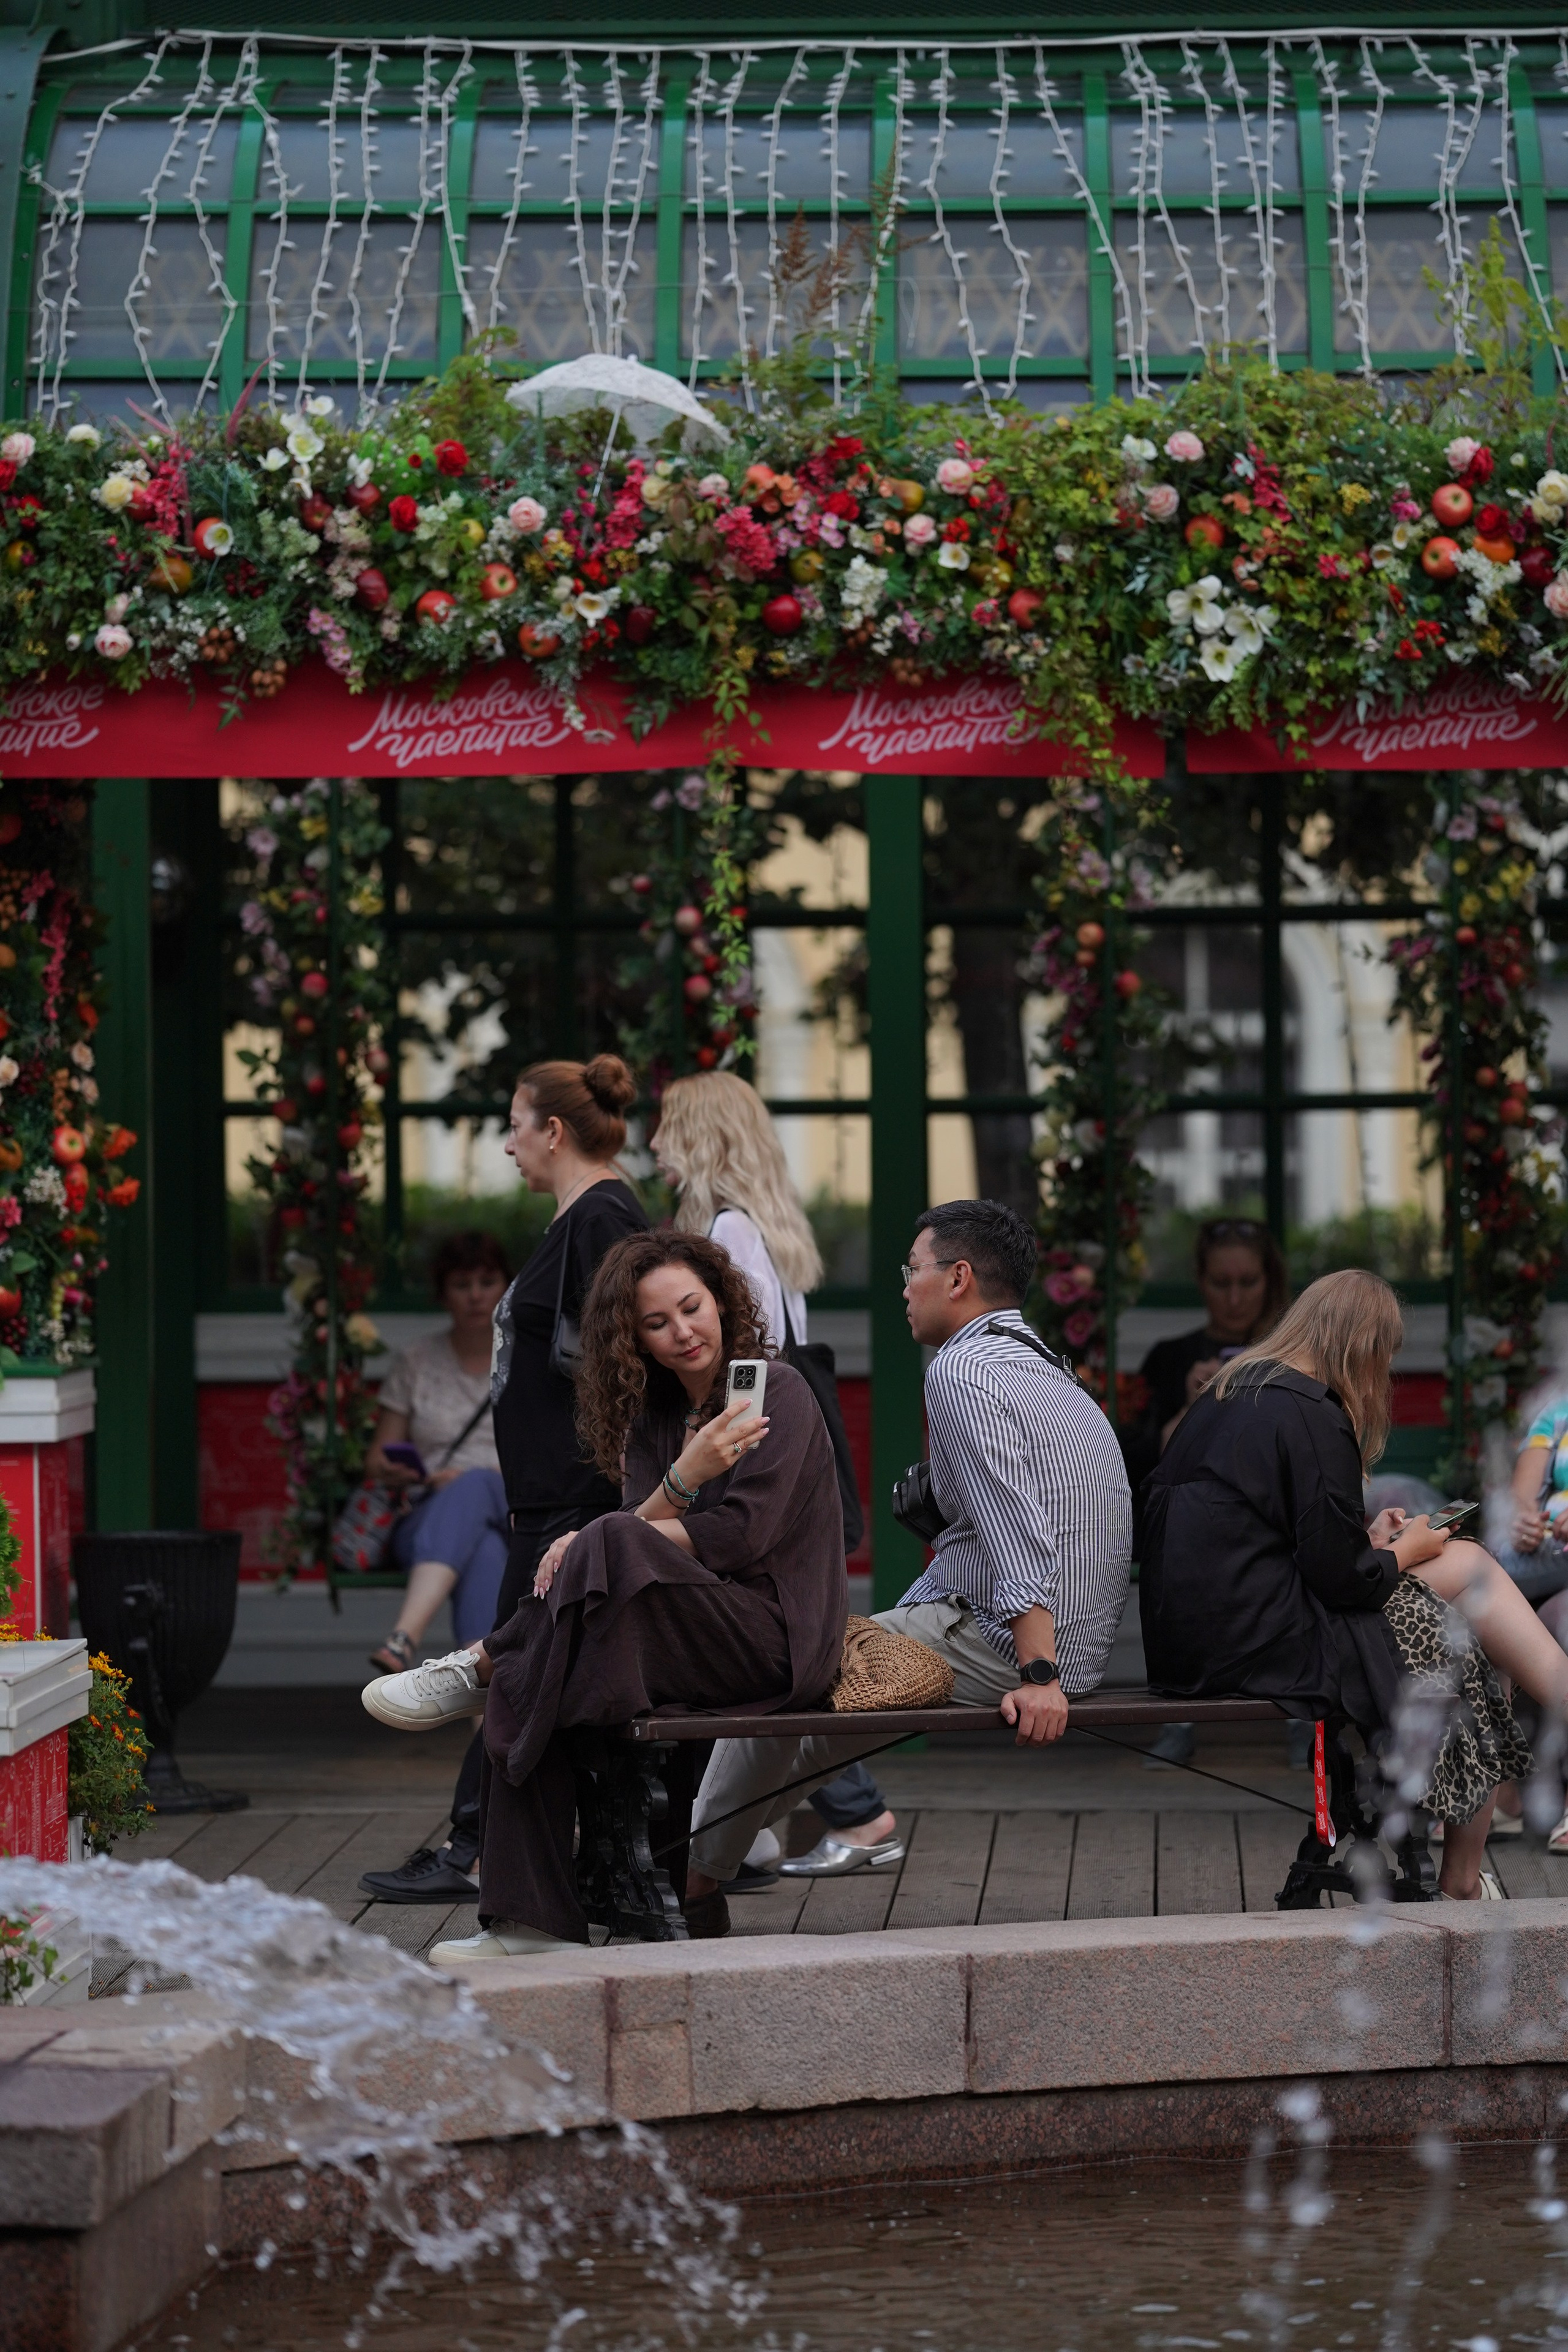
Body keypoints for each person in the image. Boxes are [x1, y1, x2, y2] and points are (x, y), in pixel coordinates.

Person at [361, 1231, 848, 1956]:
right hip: (672, 1625)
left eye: (692, 1307)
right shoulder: (653, 1417)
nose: (682, 1331)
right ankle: (526, 1925)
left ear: (720, 1301)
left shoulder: (776, 1392)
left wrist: (662, 1496)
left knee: (602, 1548)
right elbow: (639, 1535)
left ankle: (479, 1663)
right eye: (657, 1323)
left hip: (771, 1635)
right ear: (635, 1339)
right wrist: (651, 1499)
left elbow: (741, 1537)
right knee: (536, 1683)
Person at [684, 1197, 1133, 1889]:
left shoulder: (961, 1372)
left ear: (958, 1278)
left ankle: (691, 1871)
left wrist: (1039, 1675)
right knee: (805, 1731)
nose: (903, 1286)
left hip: (1008, 1645)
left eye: (911, 1269)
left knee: (777, 1679)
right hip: (1075, 1644)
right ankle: (708, 1865)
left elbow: (1019, 1530)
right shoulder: (1044, 1364)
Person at [1138, 1267, 1568, 1900]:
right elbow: (1342, 1584)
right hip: (1267, 1645)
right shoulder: (1311, 1411)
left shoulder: (1230, 1393)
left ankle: (1462, 1881)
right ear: (1364, 1347)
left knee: (1477, 1622)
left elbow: (1275, 1546)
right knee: (1472, 1570)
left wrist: (1371, 1540)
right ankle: (1460, 1883)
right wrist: (1415, 1546)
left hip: (1198, 1642)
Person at [356, 1055, 648, 1909]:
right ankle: (493, 1851)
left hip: (570, 1502)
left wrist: (605, 1500)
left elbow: (626, 1364)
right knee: (522, 1677)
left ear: (553, 1131)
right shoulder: (584, 1216)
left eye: (514, 1124)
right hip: (550, 1497)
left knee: (515, 1675)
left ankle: (484, 1852)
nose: (507, 1143)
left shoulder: (600, 1218)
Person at [655, 1069, 899, 1883]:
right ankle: (767, 1823)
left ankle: (856, 1814)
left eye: (666, 1127)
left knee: (764, 1641)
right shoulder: (767, 1228)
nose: (654, 1145)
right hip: (785, 1458)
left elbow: (747, 1366)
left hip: (757, 1463)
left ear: (700, 1138)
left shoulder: (729, 1231)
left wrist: (716, 1464)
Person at [1121, 1216, 1289, 1768]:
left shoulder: (1290, 1354)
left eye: (1249, 1282)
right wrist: (1198, 1402)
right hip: (1194, 1521)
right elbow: (1146, 1462)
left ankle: (1300, 1716)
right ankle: (1178, 1716)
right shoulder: (1172, 1359)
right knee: (1183, 1538)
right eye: (1222, 1283)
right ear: (1200, 1280)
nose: (1236, 1297)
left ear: (1270, 1280)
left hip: (1271, 1516)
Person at [364, 1231, 512, 1676]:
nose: (474, 1296)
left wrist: (474, 1478)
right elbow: (375, 1460)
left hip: (511, 1508)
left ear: (507, 1287)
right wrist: (424, 1477)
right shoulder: (418, 1361)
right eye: (461, 1285)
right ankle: (484, 1726)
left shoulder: (524, 1361)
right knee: (483, 1551)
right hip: (427, 1515)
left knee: (478, 1484)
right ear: (443, 1293)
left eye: (487, 1282)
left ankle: (404, 1636)